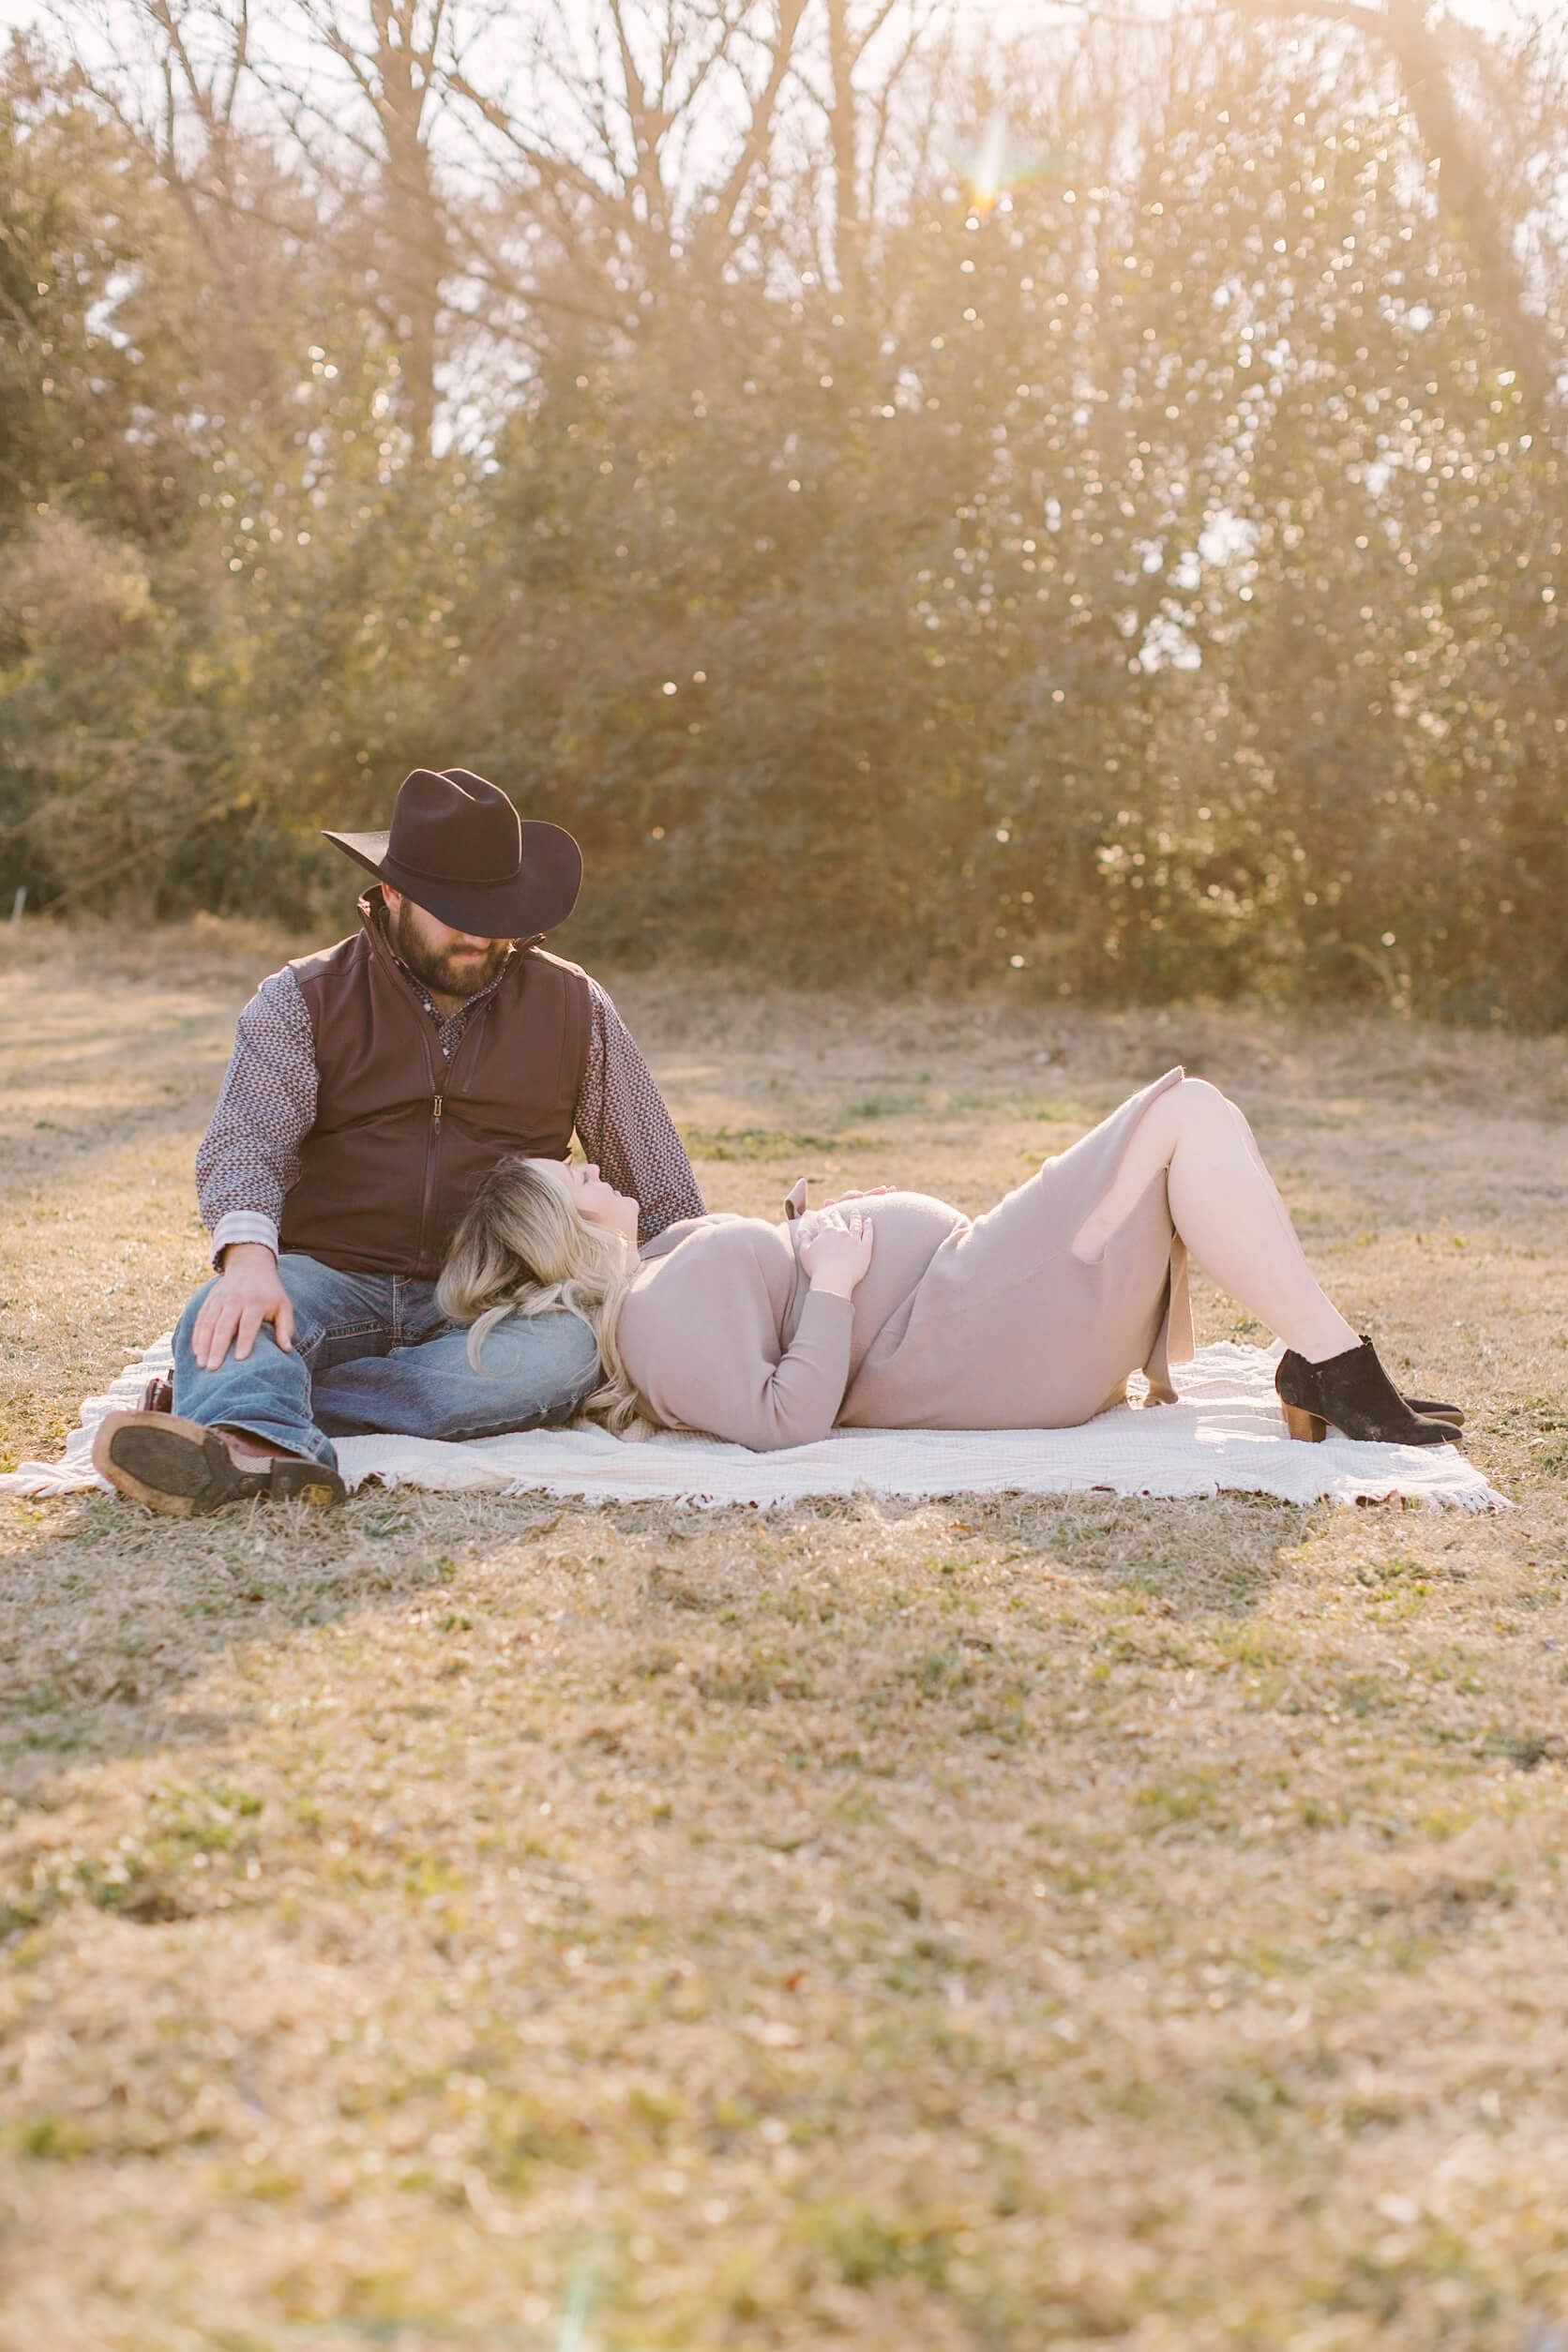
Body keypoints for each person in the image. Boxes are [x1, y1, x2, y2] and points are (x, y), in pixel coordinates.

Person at [93, 765, 704, 1515]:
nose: (481, 932)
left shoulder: (575, 1005)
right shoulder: (301, 998)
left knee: (567, 1356)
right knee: (221, 1312)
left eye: (499, 909)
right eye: (455, 910)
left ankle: (253, 1417)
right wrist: (248, 1262)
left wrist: (708, 1290)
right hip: (330, 1274)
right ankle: (254, 1438)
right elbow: (244, 1147)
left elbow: (662, 1184)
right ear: (391, 894)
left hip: (496, 1293)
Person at [435, 1070, 1464, 1453]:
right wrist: (834, 1281)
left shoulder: (663, 1269)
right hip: (977, 1330)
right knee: (1181, 1115)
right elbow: (783, 1419)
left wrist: (811, 1237)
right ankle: (1332, 1366)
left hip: (971, 1308)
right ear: (557, 1237)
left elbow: (774, 1312)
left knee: (1188, 1129)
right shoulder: (648, 1314)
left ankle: (1320, 1362)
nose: (588, 1168)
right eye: (569, 1181)